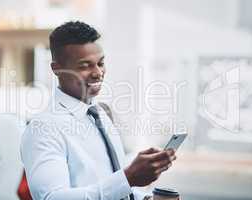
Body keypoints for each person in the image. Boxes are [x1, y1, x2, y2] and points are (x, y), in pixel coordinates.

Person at [20, 21, 176, 200]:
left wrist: (145, 198)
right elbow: (52, 198)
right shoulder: (43, 128)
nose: (98, 73)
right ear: (56, 69)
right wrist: (129, 177)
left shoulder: (100, 114)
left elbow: (111, 185)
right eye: (85, 66)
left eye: (100, 63)